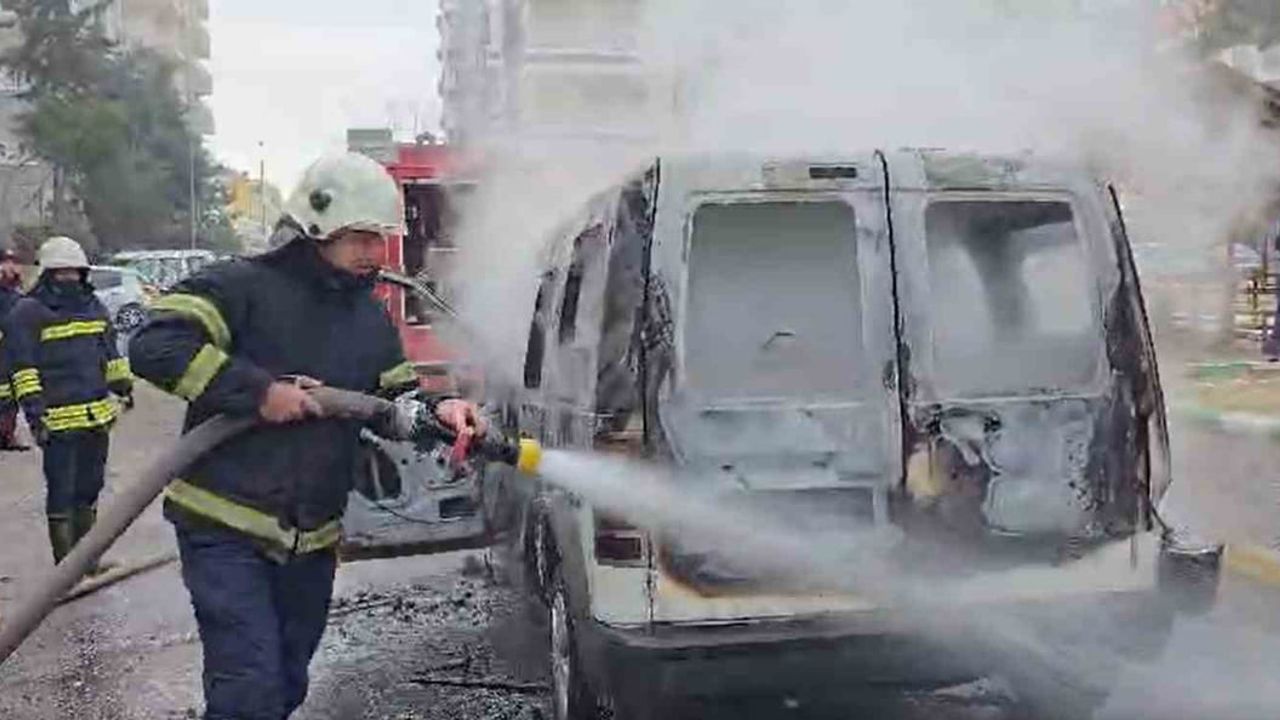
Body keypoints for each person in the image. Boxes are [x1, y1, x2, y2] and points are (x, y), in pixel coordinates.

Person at [129, 153, 482, 720]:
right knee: (249, 686)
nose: (375, 253)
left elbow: (394, 401)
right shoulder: (240, 286)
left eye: (380, 239)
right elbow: (154, 346)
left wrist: (444, 408)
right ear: (317, 226)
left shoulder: (368, 321)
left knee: (287, 684)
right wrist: (257, 391)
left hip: (313, 539)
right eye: (360, 238)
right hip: (225, 527)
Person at [5, 236, 134, 562]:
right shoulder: (27, 313)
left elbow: (109, 351)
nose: (70, 279)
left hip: (97, 417)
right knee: (62, 493)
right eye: (62, 273)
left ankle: (88, 563)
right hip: (57, 421)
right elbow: (23, 369)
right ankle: (65, 568)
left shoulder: (94, 307)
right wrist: (35, 416)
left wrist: (123, 386)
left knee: (90, 489)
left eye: (75, 272)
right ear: (48, 274)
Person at [0, 246, 27, 451]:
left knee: (11, 397)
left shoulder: (14, 290)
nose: (12, 266)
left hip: (11, 350)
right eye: (7, 262)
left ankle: (7, 436)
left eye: (14, 262)